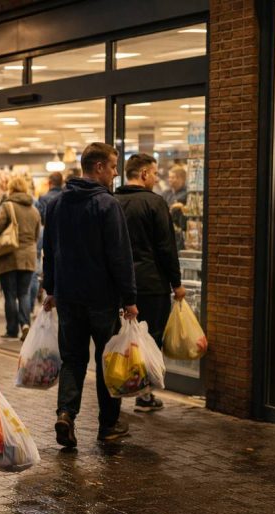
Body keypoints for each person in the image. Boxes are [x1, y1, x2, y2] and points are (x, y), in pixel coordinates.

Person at [42, 142, 137, 447]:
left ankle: (66, 414)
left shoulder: (56, 205)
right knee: (108, 360)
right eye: (112, 167)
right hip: (101, 298)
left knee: (72, 359)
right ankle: (107, 426)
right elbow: (120, 256)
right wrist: (129, 298)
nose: (115, 173)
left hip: (69, 296)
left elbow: (49, 252)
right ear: (98, 167)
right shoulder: (107, 205)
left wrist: (52, 289)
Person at [114, 153, 187, 413]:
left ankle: (116, 389)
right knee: (150, 339)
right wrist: (176, 283)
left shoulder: (112, 201)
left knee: (119, 339)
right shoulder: (155, 204)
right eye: (155, 173)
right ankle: (143, 395)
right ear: (144, 174)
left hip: (117, 285)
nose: (157, 179)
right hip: (150, 283)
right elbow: (167, 248)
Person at [0, 175, 41, 341]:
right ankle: (25, 324)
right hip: (29, 256)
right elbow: (36, 235)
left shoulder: (8, 206)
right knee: (24, 293)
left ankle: (12, 329)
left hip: (9, 256)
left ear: (11, 189)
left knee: (10, 294)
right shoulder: (34, 210)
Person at [162, 165, 189, 252]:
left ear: (182, 179)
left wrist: (183, 207)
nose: (170, 180)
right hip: (166, 233)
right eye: (169, 177)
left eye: (173, 177)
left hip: (182, 234)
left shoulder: (188, 194)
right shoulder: (166, 193)